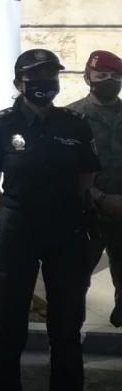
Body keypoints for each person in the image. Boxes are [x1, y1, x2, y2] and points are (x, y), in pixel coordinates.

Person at [0, 48, 102, 391]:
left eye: (51, 75)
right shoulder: (2, 125)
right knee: (9, 330)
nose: (44, 82)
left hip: (66, 236)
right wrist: (11, 217)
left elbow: (86, 174)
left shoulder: (75, 123)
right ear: (19, 83)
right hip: (17, 235)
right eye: (35, 76)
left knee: (66, 333)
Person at [66, 49, 122, 329]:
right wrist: (101, 199)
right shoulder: (71, 117)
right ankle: (67, 346)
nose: (109, 80)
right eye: (102, 75)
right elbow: (64, 170)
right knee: (72, 285)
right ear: (88, 76)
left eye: (115, 76)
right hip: (84, 213)